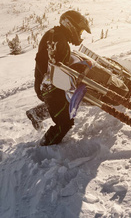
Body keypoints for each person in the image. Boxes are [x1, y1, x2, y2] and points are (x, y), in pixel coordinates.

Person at [33, 10, 91, 146]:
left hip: (49, 84)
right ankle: (44, 147)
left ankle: (36, 114)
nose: (80, 34)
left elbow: (57, 63)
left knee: (67, 102)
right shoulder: (57, 39)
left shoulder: (58, 36)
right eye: (80, 31)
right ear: (71, 25)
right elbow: (54, 66)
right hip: (48, 86)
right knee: (65, 122)